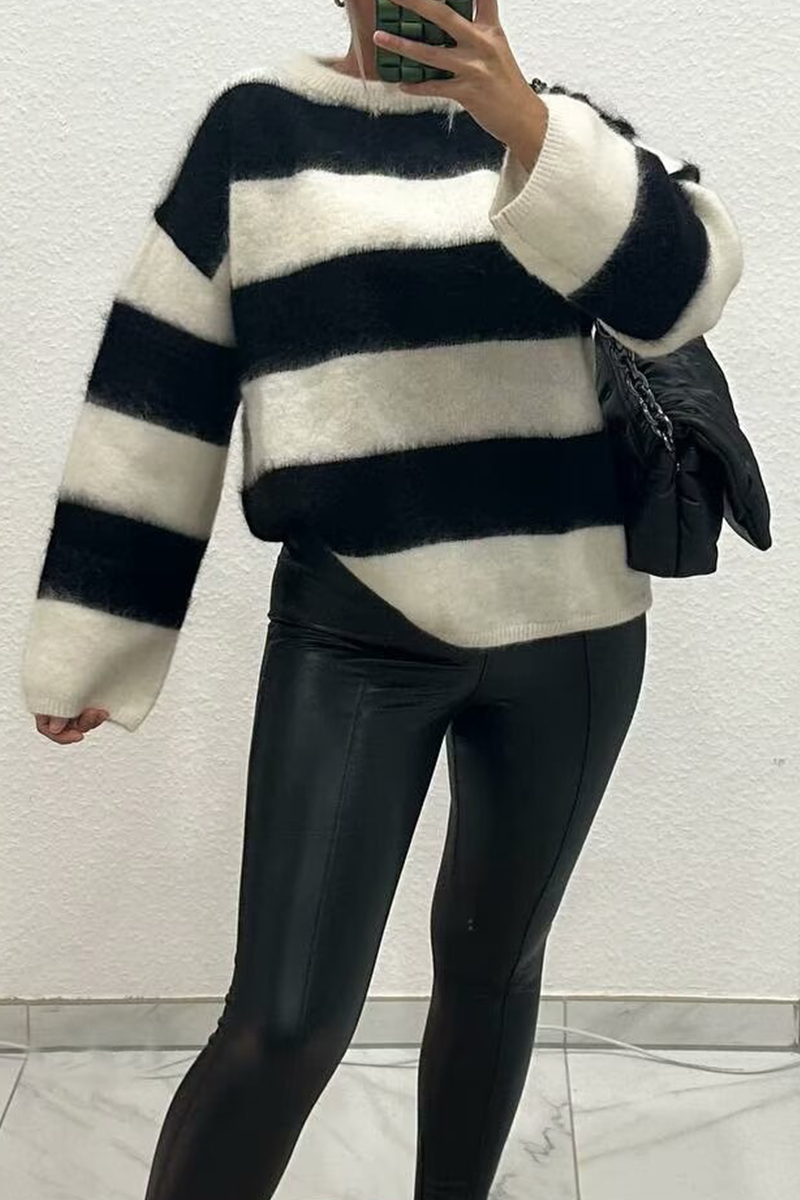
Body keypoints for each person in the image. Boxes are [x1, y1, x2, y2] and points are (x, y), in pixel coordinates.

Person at [20, 0, 744, 1195]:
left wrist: (525, 128)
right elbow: (157, 385)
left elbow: (683, 293)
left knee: (493, 974)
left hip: (574, 633)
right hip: (354, 633)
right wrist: (92, 642)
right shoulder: (256, 134)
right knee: (285, 1022)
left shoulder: (558, 133)